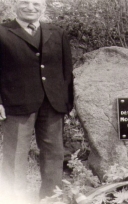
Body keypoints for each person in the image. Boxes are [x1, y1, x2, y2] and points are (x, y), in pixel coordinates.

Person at [0, 0, 73, 201]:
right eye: (25, 2)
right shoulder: (3, 32)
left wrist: (67, 101)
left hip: (53, 103)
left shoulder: (57, 33)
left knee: (54, 153)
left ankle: (51, 197)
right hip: (16, 103)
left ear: (44, 6)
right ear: (14, 5)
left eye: (36, 3)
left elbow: (66, 70)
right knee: (15, 156)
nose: (31, 7)